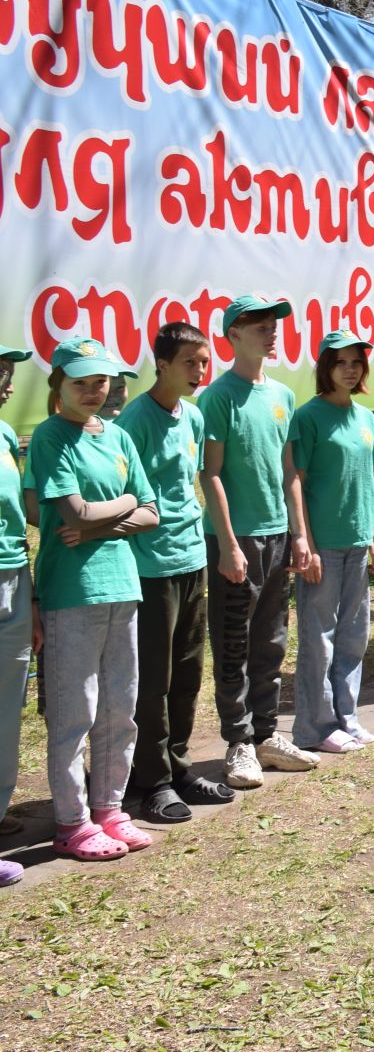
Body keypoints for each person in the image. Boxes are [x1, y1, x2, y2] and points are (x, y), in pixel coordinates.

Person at [31, 337, 158, 861]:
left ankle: (109, 809)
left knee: (119, 709)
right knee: (73, 713)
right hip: (71, 592)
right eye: (80, 381)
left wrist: (106, 524)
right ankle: (72, 822)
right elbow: (72, 514)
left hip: (122, 584)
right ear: (58, 384)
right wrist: (120, 511)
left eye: (100, 381)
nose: (92, 391)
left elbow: (152, 510)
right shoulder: (49, 436)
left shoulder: (119, 436)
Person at [200, 294, 319, 788]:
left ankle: (267, 736)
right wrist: (228, 542)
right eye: (258, 326)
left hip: (277, 535)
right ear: (232, 336)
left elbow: (290, 472)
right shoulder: (217, 396)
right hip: (237, 538)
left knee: (271, 640)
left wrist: (300, 535)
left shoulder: (283, 395)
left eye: (274, 325)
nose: (271, 333)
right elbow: (211, 474)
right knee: (233, 644)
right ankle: (238, 742)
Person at [117, 322, 233, 824]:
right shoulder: (134, 421)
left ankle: (179, 766)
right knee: (154, 680)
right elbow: (127, 495)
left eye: (205, 361)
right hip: (150, 567)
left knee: (189, 673)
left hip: (192, 557)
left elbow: (196, 483)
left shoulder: (193, 415)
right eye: (190, 362)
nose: (200, 371)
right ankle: (152, 782)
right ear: (161, 363)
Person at [288, 331, 374, 753]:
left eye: (356, 362)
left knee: (353, 636)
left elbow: (372, 482)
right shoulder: (307, 417)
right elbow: (295, 481)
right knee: (318, 638)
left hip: (359, 542)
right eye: (341, 362)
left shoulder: (366, 418)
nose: (350, 369)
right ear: (325, 367)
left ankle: (348, 717)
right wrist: (303, 541)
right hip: (323, 546)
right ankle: (315, 727)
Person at [0, 343, 29, 883]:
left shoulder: (6, 436)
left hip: (14, 575)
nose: (6, 382)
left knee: (7, 705)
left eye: (6, 374)